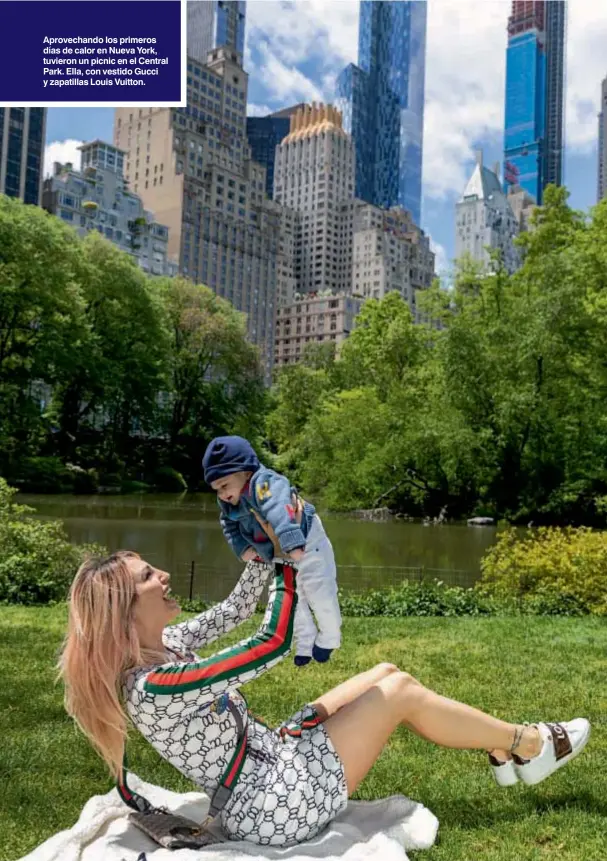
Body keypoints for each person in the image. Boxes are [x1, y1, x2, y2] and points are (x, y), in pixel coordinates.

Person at [60, 550, 591, 849]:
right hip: (272, 806)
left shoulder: (165, 646)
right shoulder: (154, 688)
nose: (164, 573)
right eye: (150, 576)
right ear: (127, 609)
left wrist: (264, 548)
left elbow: (233, 609)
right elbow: (265, 647)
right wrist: (291, 573)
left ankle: (503, 750)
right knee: (397, 694)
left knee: (386, 673)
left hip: (273, 758)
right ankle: (531, 744)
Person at [202, 434, 341, 666]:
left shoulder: (264, 483)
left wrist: (291, 541)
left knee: (320, 591)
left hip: (306, 541)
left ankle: (329, 638)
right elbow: (228, 523)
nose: (222, 494)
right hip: (279, 552)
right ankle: (305, 642)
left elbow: (279, 510)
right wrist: (243, 547)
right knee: (289, 598)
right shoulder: (229, 500)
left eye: (224, 486)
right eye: (216, 489)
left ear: (245, 472)